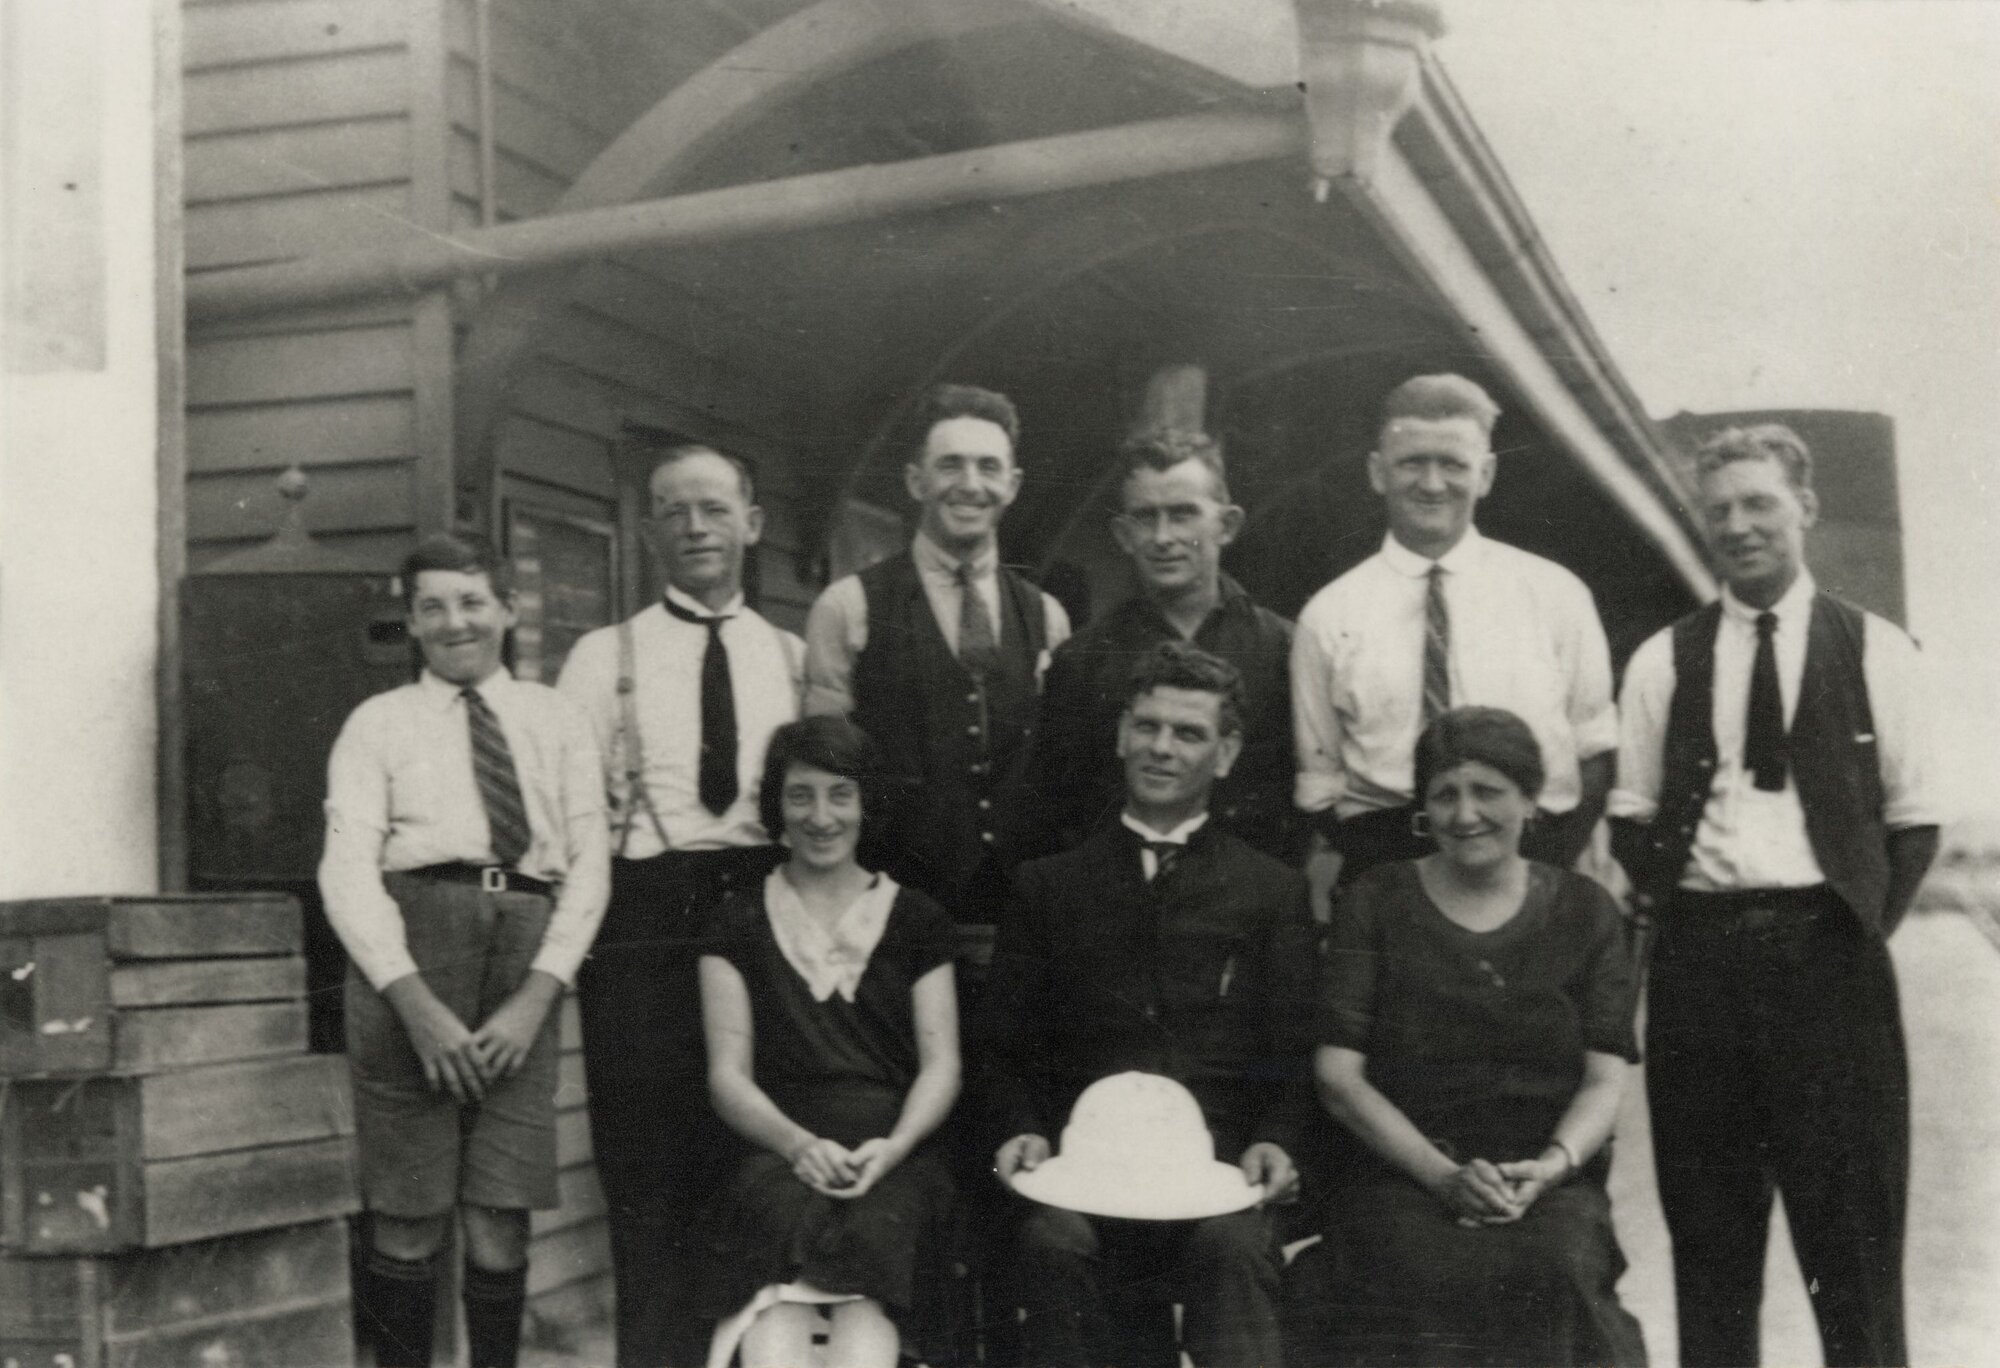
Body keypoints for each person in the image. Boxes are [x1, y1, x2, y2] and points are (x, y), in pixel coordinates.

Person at [1609, 423, 1940, 1368]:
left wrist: (1850, 927)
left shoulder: (1877, 650)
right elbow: (1634, 821)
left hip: (1831, 964)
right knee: (1711, 1249)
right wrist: (1705, 917)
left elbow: (1914, 825)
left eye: (1759, 503)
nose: (1739, 526)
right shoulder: (1663, 660)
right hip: (1700, 971)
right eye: (1719, 511)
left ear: (1806, 509)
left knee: (1857, 1252)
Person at [978, 641, 1320, 1368]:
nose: (1161, 748)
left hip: (1217, 1170)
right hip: (1082, 1169)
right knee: (1050, 1244)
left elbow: (1296, 1053)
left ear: (1226, 754)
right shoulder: (1050, 885)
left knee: (1235, 1251)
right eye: (1148, 726)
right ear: (1121, 735)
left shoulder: (1271, 891)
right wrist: (1019, 1129)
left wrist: (1277, 1142)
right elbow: (1002, 1048)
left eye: (1188, 733)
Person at [319, 533, 610, 1368]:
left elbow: (589, 867)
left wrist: (537, 997)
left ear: (508, 610)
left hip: (526, 954)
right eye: (435, 607)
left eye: (473, 601)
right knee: (408, 1210)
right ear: (411, 622)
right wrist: (413, 1006)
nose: (457, 622)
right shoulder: (377, 724)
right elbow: (345, 870)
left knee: (501, 1211)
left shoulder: (556, 720)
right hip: (410, 952)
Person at [1297, 706, 1645, 1367]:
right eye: (1445, 794)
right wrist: (1441, 1176)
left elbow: (1606, 1079)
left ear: (1530, 801)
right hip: (1401, 1172)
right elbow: (1338, 1076)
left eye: (1488, 792)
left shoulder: (1585, 910)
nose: (1464, 814)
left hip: (1543, 1179)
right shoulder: (1376, 900)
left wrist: (1550, 1168)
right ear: (1422, 806)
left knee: (1556, 1268)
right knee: (1411, 1269)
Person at [557, 441, 804, 1367]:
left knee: (753, 1163)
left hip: (758, 912)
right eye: (672, 511)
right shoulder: (598, 656)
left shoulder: (789, 654)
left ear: (752, 522)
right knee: (647, 1172)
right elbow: (574, 821)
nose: (694, 528)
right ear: (649, 527)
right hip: (644, 921)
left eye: (712, 508)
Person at [696, 716, 961, 1368]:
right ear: (776, 806)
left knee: (871, 1293)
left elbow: (942, 1066)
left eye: (841, 794)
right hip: (777, 1149)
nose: (821, 816)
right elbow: (727, 1075)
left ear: (867, 802)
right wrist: (798, 1145)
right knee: (776, 1322)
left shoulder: (918, 918)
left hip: (893, 1154)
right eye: (801, 795)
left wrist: (894, 1148)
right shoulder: (738, 919)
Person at [1290, 373, 1617, 902]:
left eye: (1453, 464)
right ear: (1378, 472)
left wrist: (1544, 865)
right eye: (1412, 462)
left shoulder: (1555, 594)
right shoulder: (1328, 614)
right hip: (1388, 862)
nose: (1433, 483)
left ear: (1485, 474)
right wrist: (1385, 870)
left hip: (1533, 860)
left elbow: (1594, 750)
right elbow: (1318, 780)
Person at [802, 382, 1070, 923]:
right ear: (916, 480)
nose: (970, 485)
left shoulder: (1048, 617)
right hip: (890, 914)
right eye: (950, 465)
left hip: (1018, 916)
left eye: (989, 467)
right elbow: (823, 772)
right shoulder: (847, 607)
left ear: (1013, 485)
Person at [1032, 427, 1300, 861]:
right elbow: (1056, 807)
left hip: (1246, 907)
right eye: (1145, 517)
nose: (1162, 537)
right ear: (1123, 534)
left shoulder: (1283, 650)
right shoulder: (1081, 662)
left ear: (1227, 525)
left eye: (1182, 515)